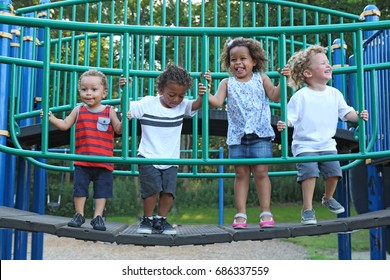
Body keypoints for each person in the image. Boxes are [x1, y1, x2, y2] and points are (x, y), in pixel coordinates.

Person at [276, 45, 369, 225]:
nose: (329, 66)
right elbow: (290, 117)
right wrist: (284, 122)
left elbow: (346, 113)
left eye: (328, 63)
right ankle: (308, 209)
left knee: (335, 172)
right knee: (309, 173)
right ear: (308, 73)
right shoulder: (301, 96)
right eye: (323, 63)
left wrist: (358, 116)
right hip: (305, 145)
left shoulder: (334, 93)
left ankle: (327, 197)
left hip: (327, 144)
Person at [206, 37, 290, 229]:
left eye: (243, 58)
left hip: (260, 133)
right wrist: (207, 90)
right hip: (237, 135)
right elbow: (217, 102)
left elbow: (275, 95)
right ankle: (241, 213)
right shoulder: (227, 83)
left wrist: (283, 80)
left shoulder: (262, 78)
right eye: (233, 59)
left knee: (261, 172)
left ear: (254, 61)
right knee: (240, 173)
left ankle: (265, 211)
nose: (238, 63)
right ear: (229, 63)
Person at [126, 63, 208, 235]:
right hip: (148, 156)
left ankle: (161, 220)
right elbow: (127, 107)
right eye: (172, 94)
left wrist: (204, 90)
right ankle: (147, 219)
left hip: (171, 159)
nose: (176, 99)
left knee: (169, 192)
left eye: (181, 95)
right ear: (161, 89)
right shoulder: (148, 103)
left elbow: (197, 105)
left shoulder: (181, 105)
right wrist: (125, 89)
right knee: (152, 190)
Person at [41, 69, 122, 231]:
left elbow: (118, 130)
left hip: (103, 161)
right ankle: (79, 214)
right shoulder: (79, 110)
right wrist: (51, 119)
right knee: (80, 190)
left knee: (102, 192)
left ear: (104, 93)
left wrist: (127, 119)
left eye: (94, 89)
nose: (88, 93)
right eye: (84, 90)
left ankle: (98, 216)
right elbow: (65, 125)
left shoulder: (109, 111)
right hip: (83, 160)